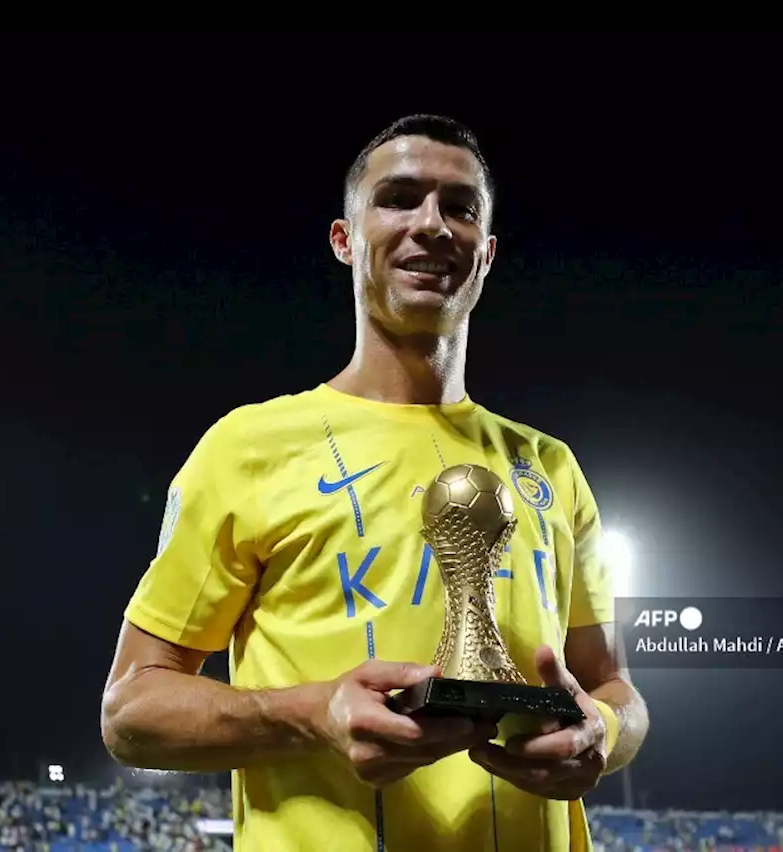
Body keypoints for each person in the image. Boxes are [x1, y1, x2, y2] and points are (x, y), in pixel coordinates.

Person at [101, 114, 649, 852]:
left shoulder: (550, 467)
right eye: (399, 199)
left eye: (459, 207)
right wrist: (314, 712)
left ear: (485, 255)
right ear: (345, 240)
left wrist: (602, 734)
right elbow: (131, 712)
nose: (432, 224)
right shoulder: (246, 448)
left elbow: (616, 690)